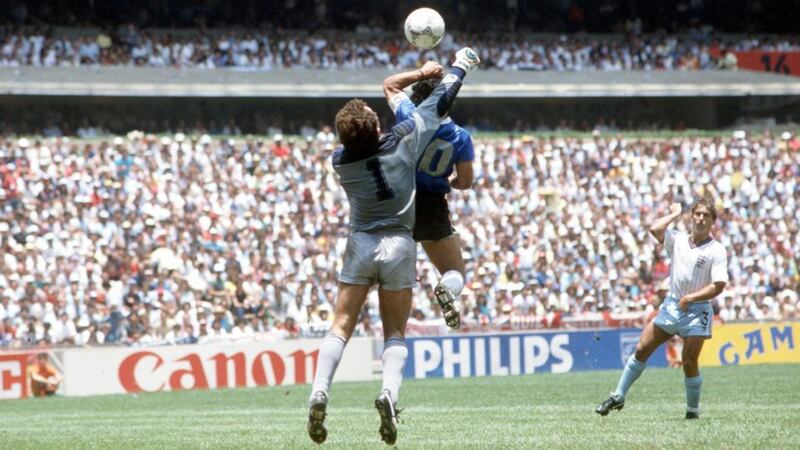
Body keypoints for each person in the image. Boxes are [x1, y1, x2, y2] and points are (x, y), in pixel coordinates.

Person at [307, 48, 480, 445]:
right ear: (374, 127)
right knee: (395, 333)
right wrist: (459, 65)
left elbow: (381, 110)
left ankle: (319, 392)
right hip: (400, 243)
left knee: (340, 325)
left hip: (361, 242)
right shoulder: (404, 140)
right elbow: (441, 99)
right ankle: (388, 394)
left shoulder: (340, 162)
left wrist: (420, 74)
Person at [596, 199, 728, 419]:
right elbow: (654, 229)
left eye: (707, 215)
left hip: (697, 312)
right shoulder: (677, 239)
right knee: (642, 348)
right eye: (698, 214)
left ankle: (692, 411)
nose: (702, 219)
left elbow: (719, 286)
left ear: (713, 221)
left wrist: (692, 297)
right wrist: (674, 214)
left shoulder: (717, 250)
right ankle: (618, 396)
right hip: (673, 306)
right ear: (692, 216)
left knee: (689, 361)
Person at [381, 65, 475, 330]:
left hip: (398, 201)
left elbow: (390, 84)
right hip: (432, 204)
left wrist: (422, 72)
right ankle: (446, 289)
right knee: (454, 272)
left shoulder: (408, 115)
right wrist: (449, 181)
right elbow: (465, 181)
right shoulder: (461, 137)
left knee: (395, 275)